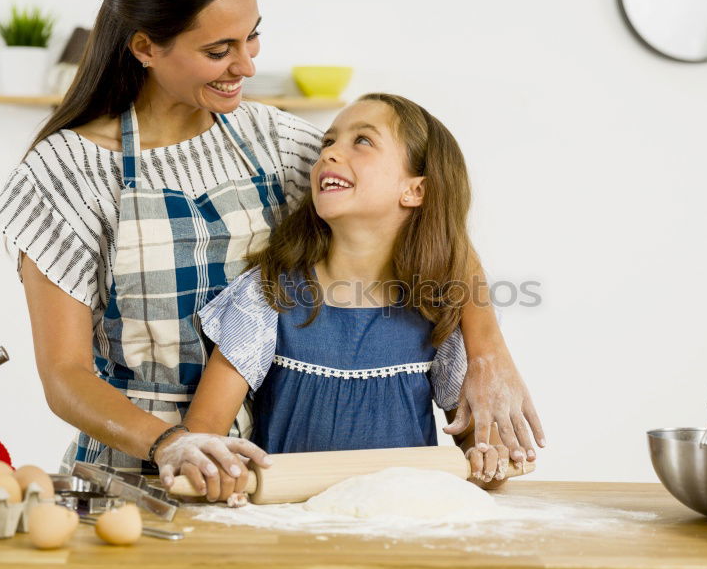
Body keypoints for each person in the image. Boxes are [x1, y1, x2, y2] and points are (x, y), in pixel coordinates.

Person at [0, 0, 544, 480]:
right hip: (131, 477)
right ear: (146, 47)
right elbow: (66, 377)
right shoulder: (65, 175)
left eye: (253, 38)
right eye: (218, 50)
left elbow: (429, 220)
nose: (246, 66)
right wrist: (171, 442)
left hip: (260, 475)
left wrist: (487, 353)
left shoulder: (273, 141)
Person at [161, 94, 517, 502]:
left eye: (362, 141)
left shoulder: (439, 309)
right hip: (286, 529)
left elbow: (478, 452)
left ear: (415, 190)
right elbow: (202, 435)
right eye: (327, 143)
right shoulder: (266, 294)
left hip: (400, 529)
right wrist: (205, 464)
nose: (329, 154)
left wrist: (491, 461)